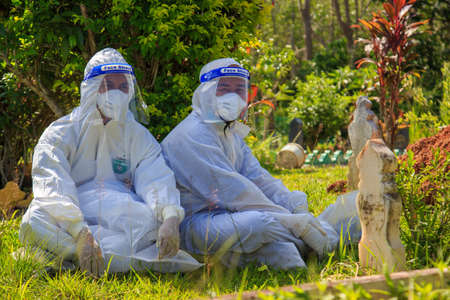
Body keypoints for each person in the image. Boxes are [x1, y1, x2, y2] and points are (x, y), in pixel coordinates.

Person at [161, 58, 361, 269]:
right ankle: (325, 235)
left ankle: (310, 239)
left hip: (231, 215)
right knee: (259, 223)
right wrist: (292, 221)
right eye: (224, 88)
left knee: (285, 250)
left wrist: (295, 207)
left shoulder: (229, 132)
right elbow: (235, 192)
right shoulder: (192, 134)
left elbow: (259, 178)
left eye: (239, 89)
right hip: (197, 224)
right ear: (207, 92)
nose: (233, 96)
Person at [20, 48, 201, 276]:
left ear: (130, 90)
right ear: (92, 89)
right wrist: (80, 233)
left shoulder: (136, 135)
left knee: (151, 222)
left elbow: (155, 176)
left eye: (122, 86)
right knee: (33, 220)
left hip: (121, 211)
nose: (115, 92)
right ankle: (97, 257)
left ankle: (64, 258)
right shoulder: (60, 133)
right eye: (107, 85)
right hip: (72, 216)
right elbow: (53, 184)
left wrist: (170, 217)